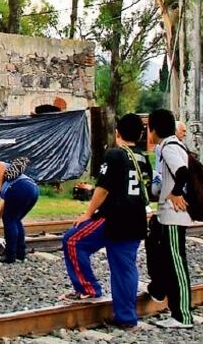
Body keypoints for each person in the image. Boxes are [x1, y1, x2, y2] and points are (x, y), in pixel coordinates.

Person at [61, 114, 150, 330]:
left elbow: (103, 187)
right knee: (125, 268)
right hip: (136, 218)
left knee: (72, 240)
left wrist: (88, 213)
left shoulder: (114, 155)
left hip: (114, 217)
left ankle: (88, 288)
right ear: (140, 135)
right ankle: (127, 317)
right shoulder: (143, 159)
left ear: (117, 132)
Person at [144, 108, 194, 329]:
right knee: (159, 252)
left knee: (176, 263)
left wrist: (175, 193)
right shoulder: (169, 145)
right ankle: (159, 288)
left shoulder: (169, 147)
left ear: (153, 129)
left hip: (174, 215)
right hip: (166, 215)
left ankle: (183, 315)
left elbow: (182, 173)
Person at [0, 157, 39, 264]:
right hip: (33, 189)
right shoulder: (7, 184)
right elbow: (3, 204)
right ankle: (20, 254)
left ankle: (10, 256)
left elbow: (0, 165)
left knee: (10, 220)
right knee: (15, 220)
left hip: (19, 187)